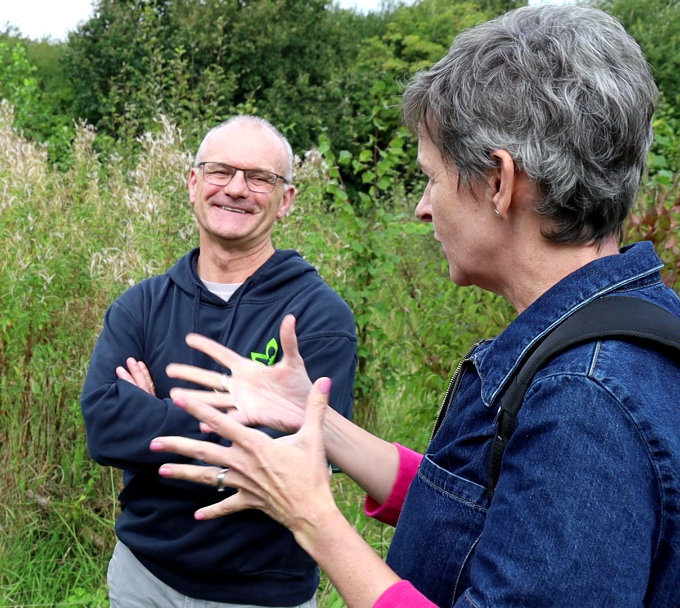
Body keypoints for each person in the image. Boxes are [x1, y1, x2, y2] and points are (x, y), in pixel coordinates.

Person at [149, 5, 680, 608]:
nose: (423, 208)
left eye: (430, 177)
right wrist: (317, 422)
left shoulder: (585, 402)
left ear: (501, 182)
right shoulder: (625, 332)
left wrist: (313, 519)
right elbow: (489, 511)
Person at [80, 115, 357, 607]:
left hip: (263, 590)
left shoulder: (318, 315)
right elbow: (105, 427)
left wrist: (156, 413)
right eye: (219, 171)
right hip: (144, 577)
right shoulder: (140, 306)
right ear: (193, 183)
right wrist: (240, 427)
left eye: (259, 178)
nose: (235, 189)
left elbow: (306, 454)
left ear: (285, 199)